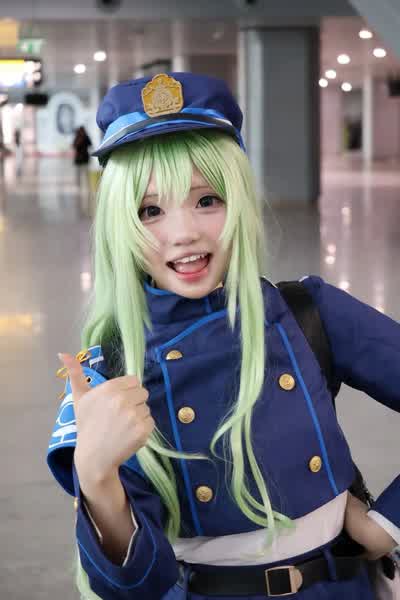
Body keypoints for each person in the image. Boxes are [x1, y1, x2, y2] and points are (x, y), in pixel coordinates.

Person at [47, 72, 400, 600]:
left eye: (207, 200)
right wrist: (96, 477)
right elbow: (135, 586)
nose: (183, 232)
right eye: (150, 211)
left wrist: (386, 523)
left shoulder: (308, 312)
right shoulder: (109, 370)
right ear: (120, 224)